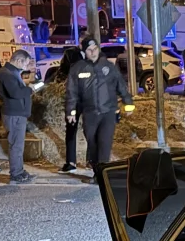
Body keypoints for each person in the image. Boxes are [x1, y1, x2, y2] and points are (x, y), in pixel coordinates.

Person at [65, 36, 134, 172]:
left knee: (104, 144)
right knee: (93, 143)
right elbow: (71, 92)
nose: (93, 52)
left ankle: (101, 176)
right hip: (90, 113)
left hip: (108, 112)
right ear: (84, 52)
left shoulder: (108, 67)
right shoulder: (77, 69)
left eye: (95, 49)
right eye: (89, 50)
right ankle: (95, 167)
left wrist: (128, 103)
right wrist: (70, 111)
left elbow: (120, 85)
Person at [0, 50, 35, 183]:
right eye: (26, 63)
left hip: (17, 113)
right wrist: (31, 89)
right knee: (16, 145)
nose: (27, 66)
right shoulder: (6, 74)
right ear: (19, 60)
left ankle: (19, 170)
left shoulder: (12, 72)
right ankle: (16, 174)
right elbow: (15, 93)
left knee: (18, 145)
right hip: (13, 114)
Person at [56, 43, 84, 172]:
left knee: (83, 131)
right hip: (79, 99)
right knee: (73, 130)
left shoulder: (72, 55)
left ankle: (84, 161)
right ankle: (73, 162)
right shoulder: (71, 54)